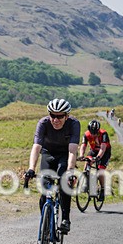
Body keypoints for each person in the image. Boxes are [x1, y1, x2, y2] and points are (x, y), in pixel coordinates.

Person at [24, 98, 80, 234]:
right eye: (53, 115)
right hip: (48, 154)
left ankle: (65, 219)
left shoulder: (74, 124)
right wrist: (31, 168)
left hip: (64, 155)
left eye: (60, 116)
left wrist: (70, 172)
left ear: (66, 116)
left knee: (64, 182)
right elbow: (36, 147)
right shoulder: (43, 123)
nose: (56, 119)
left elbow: (72, 150)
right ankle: (46, 222)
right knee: (44, 189)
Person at [78, 119, 111, 201]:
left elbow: (103, 148)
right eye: (92, 133)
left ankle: (103, 189)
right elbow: (83, 145)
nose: (93, 135)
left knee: (100, 170)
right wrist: (81, 155)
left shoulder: (103, 134)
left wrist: (98, 157)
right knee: (87, 162)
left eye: (95, 133)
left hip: (105, 152)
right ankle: (86, 183)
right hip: (94, 150)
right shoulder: (86, 134)